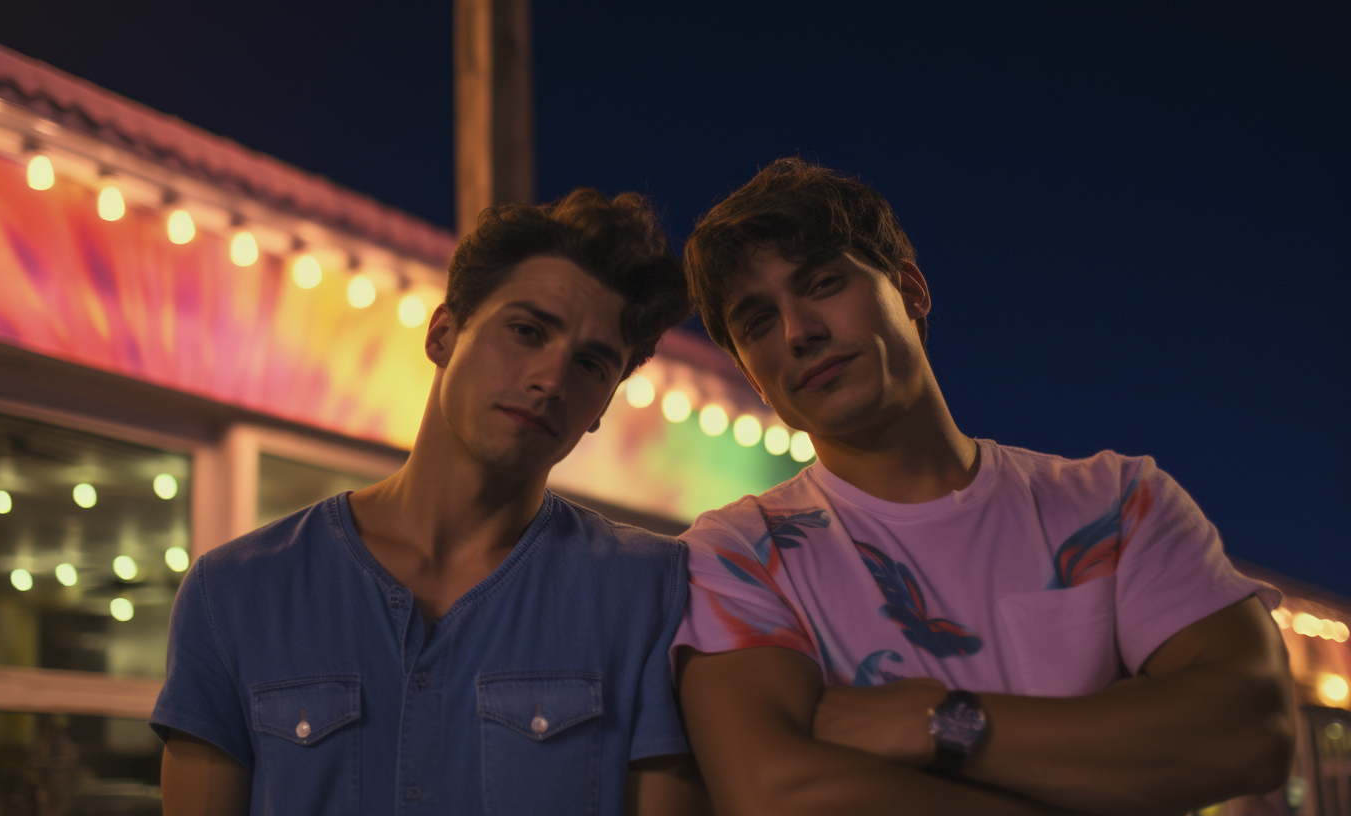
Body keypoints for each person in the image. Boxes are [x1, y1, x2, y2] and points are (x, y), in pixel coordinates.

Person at [672, 158, 1295, 815]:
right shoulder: (737, 557)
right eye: (758, 322)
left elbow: (1252, 731)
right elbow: (778, 794)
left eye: (824, 283)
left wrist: (939, 722)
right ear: (750, 373)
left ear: (911, 290)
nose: (800, 333)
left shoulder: (1117, 504)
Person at [151, 189, 706, 816]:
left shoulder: (647, 593)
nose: (550, 380)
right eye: (526, 331)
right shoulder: (236, 594)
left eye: (591, 365)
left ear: (603, 406)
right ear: (443, 333)